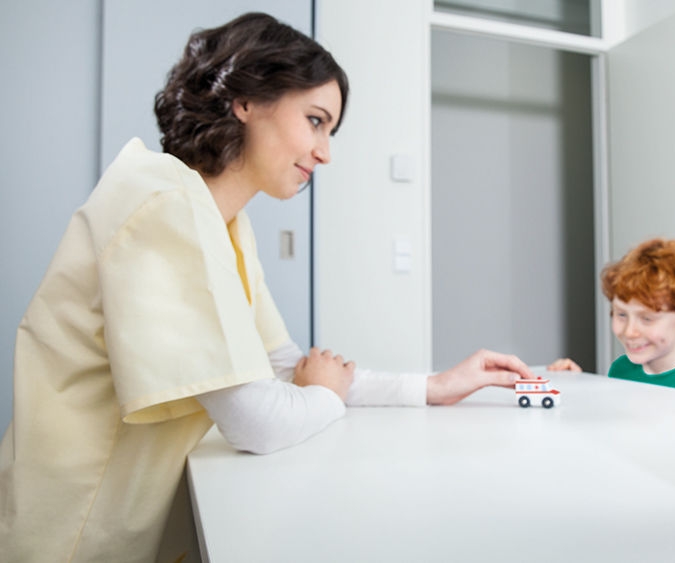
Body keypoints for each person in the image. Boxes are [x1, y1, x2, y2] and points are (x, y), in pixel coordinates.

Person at [0, 13, 535, 563]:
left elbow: (281, 366)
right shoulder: (162, 201)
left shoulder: (222, 220)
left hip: (129, 521)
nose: (325, 152)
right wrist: (324, 393)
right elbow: (256, 419)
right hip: (72, 533)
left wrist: (435, 386)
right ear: (247, 100)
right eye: (316, 120)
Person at [548, 238, 675, 399]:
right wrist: (577, 385)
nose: (629, 331)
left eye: (647, 319)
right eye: (621, 314)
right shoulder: (620, 369)